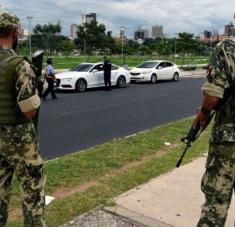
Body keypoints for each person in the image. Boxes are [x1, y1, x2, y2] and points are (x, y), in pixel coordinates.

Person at [0, 12, 46, 226]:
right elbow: (28, 111)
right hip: (19, 137)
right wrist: (37, 89)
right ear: (16, 33)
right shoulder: (20, 65)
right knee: (32, 187)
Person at [194, 38, 235, 227]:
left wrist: (203, 113)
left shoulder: (228, 47)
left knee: (215, 205)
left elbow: (213, 95)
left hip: (229, 140)